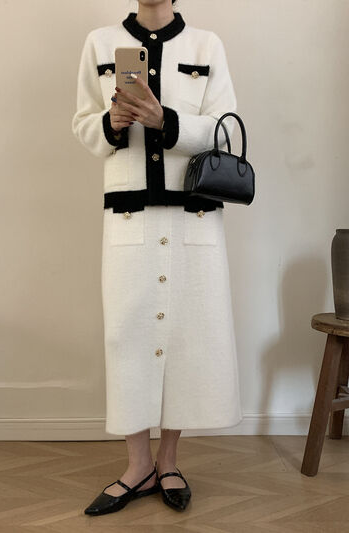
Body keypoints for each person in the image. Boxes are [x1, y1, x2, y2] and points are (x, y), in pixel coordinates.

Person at [71, 0, 243, 515]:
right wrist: (111, 122)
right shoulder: (100, 43)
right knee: (128, 337)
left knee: (186, 338)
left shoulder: (207, 45)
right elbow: (82, 125)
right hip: (129, 219)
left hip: (194, 217)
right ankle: (137, 466)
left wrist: (165, 121)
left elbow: (225, 131)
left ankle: (168, 462)